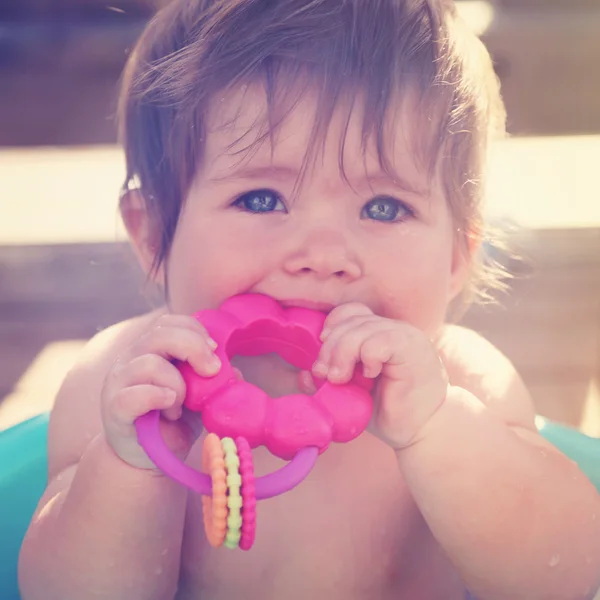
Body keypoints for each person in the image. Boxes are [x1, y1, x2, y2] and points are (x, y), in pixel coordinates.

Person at [18, 0, 600, 598]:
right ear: (151, 232)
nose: (323, 254)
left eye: (384, 207)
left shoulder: (463, 384)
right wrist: (132, 467)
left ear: (456, 256)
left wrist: (439, 428)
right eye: (262, 199)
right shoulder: (116, 385)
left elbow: (567, 573)